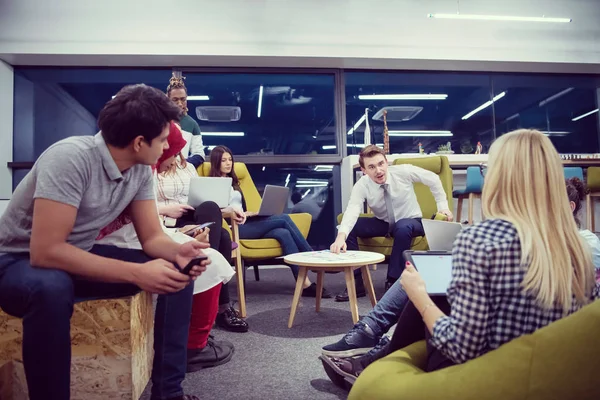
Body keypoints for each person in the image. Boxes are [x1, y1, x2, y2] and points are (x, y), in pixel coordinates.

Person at [321, 129, 600, 388]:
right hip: (549, 373)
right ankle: (372, 343)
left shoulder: (480, 238)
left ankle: (372, 348)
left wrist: (420, 297)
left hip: (488, 374)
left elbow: (461, 347)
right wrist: (342, 235)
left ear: (501, 177)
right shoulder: (580, 248)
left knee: (430, 287)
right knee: (438, 277)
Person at [0, 84, 208, 400]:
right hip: (18, 261)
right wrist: (138, 274)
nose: (168, 147)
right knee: (52, 287)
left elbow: (152, 238)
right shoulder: (70, 158)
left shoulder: (139, 171)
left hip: (75, 257)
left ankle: (169, 392)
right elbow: (46, 252)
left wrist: (179, 251)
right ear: (140, 142)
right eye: (163, 140)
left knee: (176, 271)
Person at [156, 122, 248, 333]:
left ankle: (208, 302)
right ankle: (221, 308)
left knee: (209, 205)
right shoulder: (153, 168)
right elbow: (147, 206)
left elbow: (203, 196)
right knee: (223, 237)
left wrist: (233, 210)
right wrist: (168, 208)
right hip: (171, 221)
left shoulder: (189, 168)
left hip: (194, 214)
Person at [331, 145, 453, 302]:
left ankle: (393, 281)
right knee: (346, 227)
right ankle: (356, 282)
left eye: (381, 164)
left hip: (412, 222)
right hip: (384, 223)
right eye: (372, 167)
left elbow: (433, 179)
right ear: (364, 170)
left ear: (386, 162)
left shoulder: (403, 171)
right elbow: (353, 209)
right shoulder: (362, 185)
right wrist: (341, 235)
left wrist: (443, 207)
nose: (378, 170)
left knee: (403, 226)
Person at [210, 145, 331, 297]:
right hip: (231, 228)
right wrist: (230, 213)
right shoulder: (213, 184)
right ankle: (311, 257)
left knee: (283, 233)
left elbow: (239, 207)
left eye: (230, 160)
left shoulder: (234, 183)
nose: (228, 163)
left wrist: (250, 213)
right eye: (223, 160)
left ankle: (304, 284)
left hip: (246, 223)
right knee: (284, 218)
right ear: (216, 162)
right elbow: (213, 211)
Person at [167, 73, 205, 168]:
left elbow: (199, 155)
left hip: (181, 172)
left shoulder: (192, 124)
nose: (180, 104)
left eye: (183, 99)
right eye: (175, 100)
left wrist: (182, 163)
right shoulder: (158, 120)